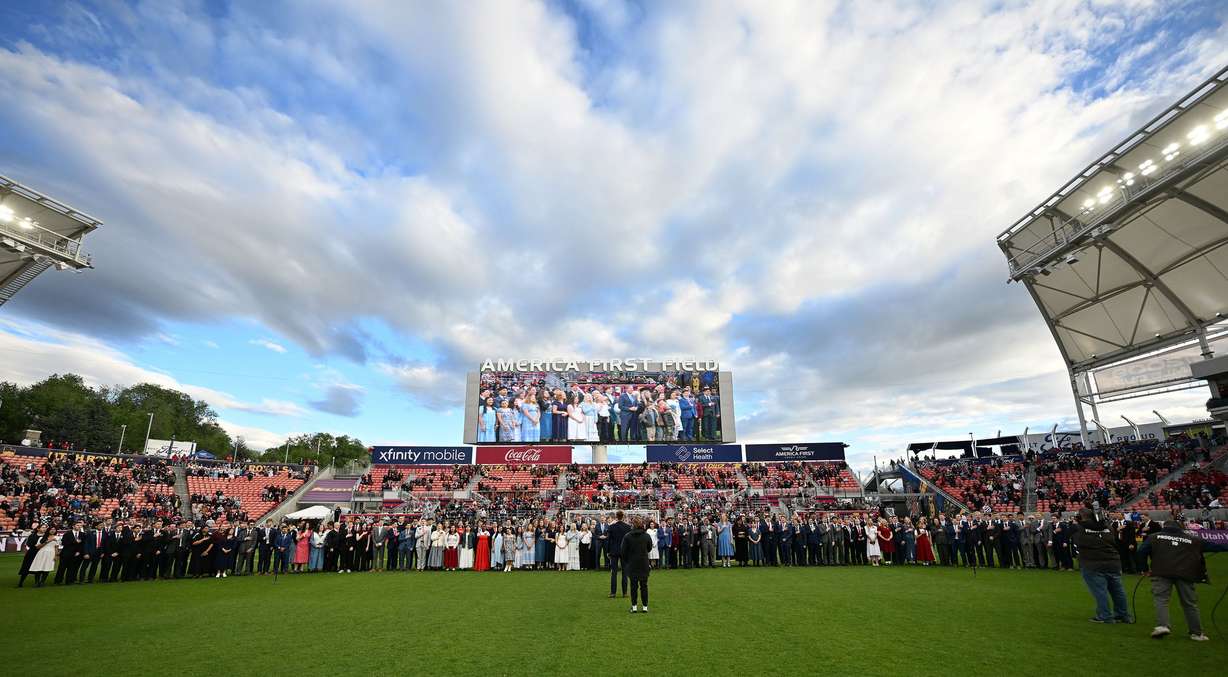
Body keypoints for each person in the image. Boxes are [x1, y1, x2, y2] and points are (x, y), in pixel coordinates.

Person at [1139, 519, 1228, 641]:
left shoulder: (1154, 537)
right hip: (1185, 574)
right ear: (1180, 527)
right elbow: (1214, 546)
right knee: (1190, 603)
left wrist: (1144, 568)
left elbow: (1141, 552)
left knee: (1161, 600)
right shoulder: (1192, 539)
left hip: (1161, 572)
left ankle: (1162, 626)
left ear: (1164, 527)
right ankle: (1197, 633)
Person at [1072, 508, 1132, 624]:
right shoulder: (1108, 527)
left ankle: (1105, 615)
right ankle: (1123, 615)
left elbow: (1078, 543)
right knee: (1118, 590)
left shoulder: (1080, 529)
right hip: (1112, 561)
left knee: (1100, 591)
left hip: (1092, 563)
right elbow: (1113, 541)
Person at [621, 516, 653, 613]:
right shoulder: (646, 536)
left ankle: (634, 606)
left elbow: (623, 551)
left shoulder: (627, 536)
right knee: (644, 585)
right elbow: (649, 548)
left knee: (633, 586)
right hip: (643, 563)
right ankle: (645, 606)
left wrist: (628, 561)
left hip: (632, 563)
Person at [608, 510, 631, 598]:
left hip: (614, 551)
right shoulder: (628, 527)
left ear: (616, 517)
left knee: (614, 572)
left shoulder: (611, 527)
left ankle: (613, 593)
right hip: (624, 551)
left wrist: (608, 551)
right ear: (623, 517)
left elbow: (609, 540)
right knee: (625, 572)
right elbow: (629, 541)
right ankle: (625, 593)